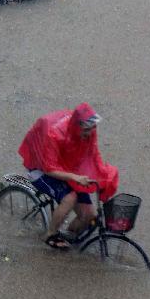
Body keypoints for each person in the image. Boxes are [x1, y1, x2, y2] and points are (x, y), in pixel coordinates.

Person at [18, 102, 119, 250]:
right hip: (41, 168)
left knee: (89, 215)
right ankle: (50, 234)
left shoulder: (89, 130)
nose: (90, 133)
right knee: (70, 198)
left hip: (66, 166)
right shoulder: (54, 134)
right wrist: (74, 178)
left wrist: (103, 175)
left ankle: (69, 235)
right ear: (77, 126)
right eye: (86, 129)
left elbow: (93, 155)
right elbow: (48, 168)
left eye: (92, 128)